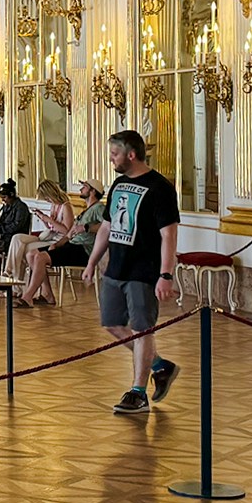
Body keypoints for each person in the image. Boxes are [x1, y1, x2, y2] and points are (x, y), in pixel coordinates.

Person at [82, 130, 181, 414]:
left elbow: (169, 234)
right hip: (117, 267)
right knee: (113, 324)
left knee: (142, 329)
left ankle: (138, 392)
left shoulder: (160, 187)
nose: (111, 159)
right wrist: (92, 262)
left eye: (114, 154)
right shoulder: (119, 183)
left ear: (131, 154)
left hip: (144, 270)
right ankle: (160, 366)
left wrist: (165, 274)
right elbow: (107, 226)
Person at [15, 178, 106, 306]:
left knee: (41, 258)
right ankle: (47, 295)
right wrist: (57, 244)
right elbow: (69, 234)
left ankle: (27, 297)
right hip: (72, 245)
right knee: (31, 254)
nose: (80, 189)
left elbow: (108, 226)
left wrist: (87, 228)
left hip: (83, 249)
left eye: (84, 186)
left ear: (92, 191)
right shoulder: (86, 210)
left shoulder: (99, 208)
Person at [0, 180, 30, 273]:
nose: (3, 200)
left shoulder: (21, 207)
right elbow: (3, 221)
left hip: (12, 238)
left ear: (11, 195)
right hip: (3, 236)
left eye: (4, 197)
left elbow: (16, 226)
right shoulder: (7, 206)